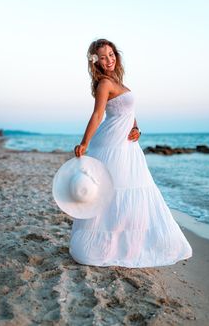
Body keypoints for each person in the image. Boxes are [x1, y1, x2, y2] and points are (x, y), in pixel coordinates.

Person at [71, 38, 192, 267]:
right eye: (103, 56)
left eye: (111, 54)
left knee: (131, 191)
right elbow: (98, 115)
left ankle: (128, 243)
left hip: (127, 145)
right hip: (112, 145)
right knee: (116, 192)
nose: (109, 59)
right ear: (95, 62)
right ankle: (109, 244)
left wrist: (136, 128)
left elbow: (129, 113)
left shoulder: (118, 81)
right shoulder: (104, 83)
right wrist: (85, 142)